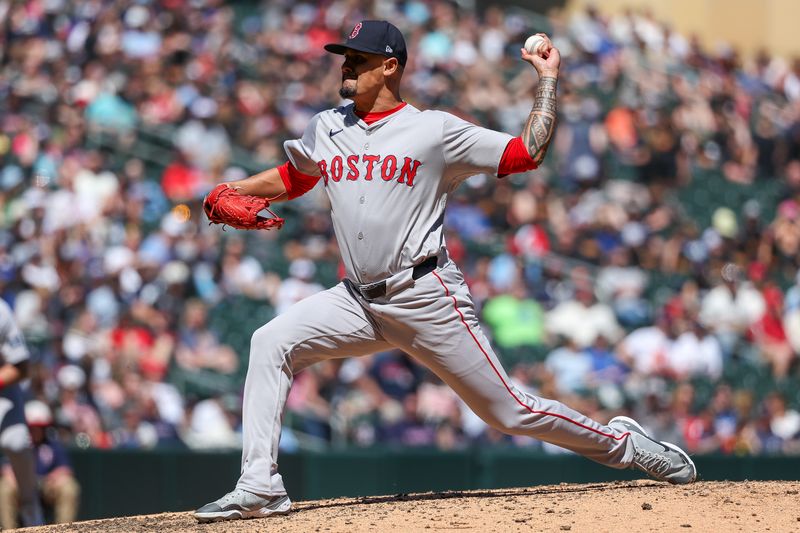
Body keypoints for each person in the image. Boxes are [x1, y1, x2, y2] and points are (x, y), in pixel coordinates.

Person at [194, 21, 696, 523]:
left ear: (390, 66)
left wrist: (547, 79)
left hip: (424, 295)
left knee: (509, 412)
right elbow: (297, 176)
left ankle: (624, 445)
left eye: (359, 58)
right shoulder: (327, 126)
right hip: (357, 300)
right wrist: (235, 189)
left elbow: (526, 153)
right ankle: (260, 486)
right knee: (269, 342)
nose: (346, 65)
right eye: (345, 56)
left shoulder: (434, 130)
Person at [0, 400, 80, 527]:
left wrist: (55, 477)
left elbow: (66, 469)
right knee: (4, 487)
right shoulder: (18, 441)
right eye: (33, 427)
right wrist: (13, 475)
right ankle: (9, 530)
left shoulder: (52, 443)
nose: (36, 430)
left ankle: (65, 529)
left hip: (46, 485)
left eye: (40, 427)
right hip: (22, 485)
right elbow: (5, 468)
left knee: (69, 487)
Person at [0, 299, 44, 527]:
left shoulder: (1, 311)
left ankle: (30, 506)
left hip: (2, 390)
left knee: (16, 442)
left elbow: (21, 367)